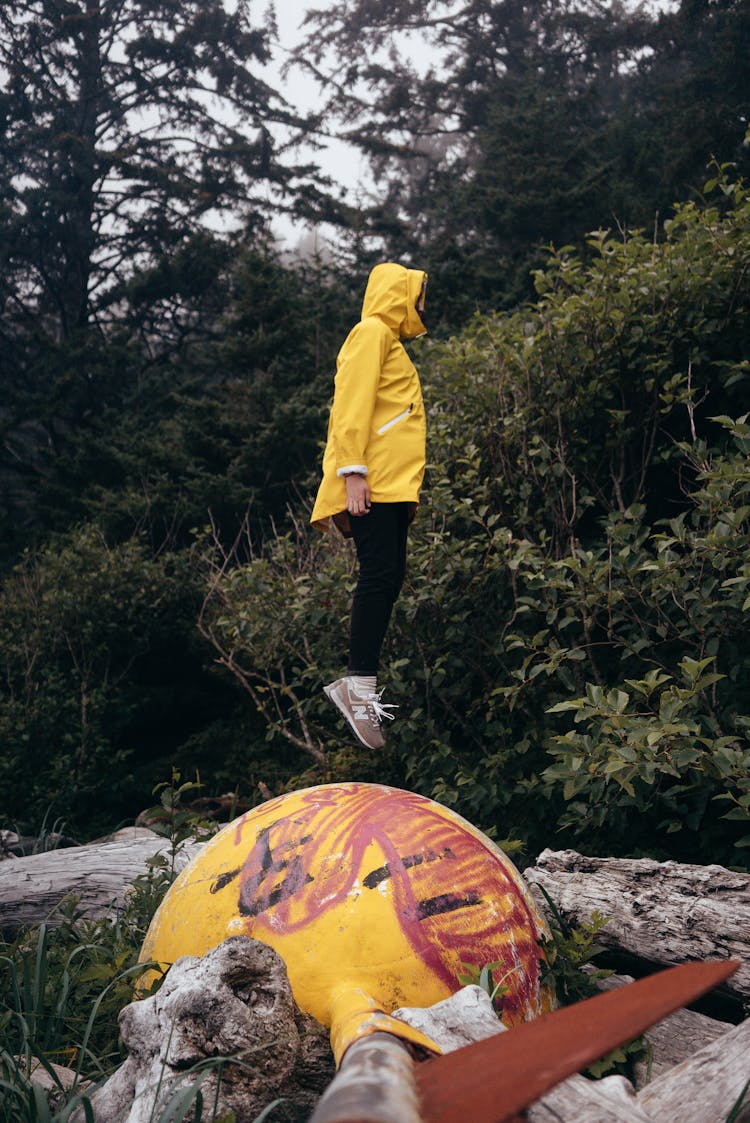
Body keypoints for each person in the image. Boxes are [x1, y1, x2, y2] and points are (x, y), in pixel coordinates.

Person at [310, 262, 428, 750]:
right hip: (373, 482)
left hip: (393, 487)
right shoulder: (371, 332)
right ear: (399, 293)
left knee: (389, 575)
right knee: (378, 575)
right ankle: (358, 687)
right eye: (419, 294)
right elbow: (350, 405)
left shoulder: (389, 341)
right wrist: (353, 471)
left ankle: (360, 687)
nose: (424, 305)